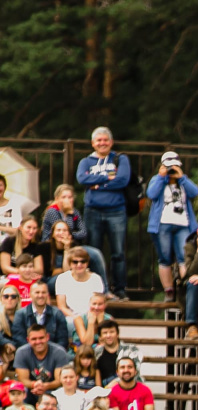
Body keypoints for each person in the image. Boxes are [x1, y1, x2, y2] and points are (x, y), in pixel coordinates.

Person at [75, 127, 131, 298]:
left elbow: (123, 180)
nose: (102, 143)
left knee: (118, 253)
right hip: (93, 211)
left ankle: (119, 290)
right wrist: (108, 177)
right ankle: (96, 290)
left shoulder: (120, 159)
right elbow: (82, 179)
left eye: (105, 140)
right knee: (93, 251)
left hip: (117, 211)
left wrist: (98, 185)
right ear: (93, 143)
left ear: (111, 142)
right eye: (98, 140)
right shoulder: (86, 161)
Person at [145, 151, 198, 299]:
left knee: (184, 256)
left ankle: (186, 286)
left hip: (183, 223)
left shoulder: (183, 181)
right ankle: (168, 290)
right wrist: (162, 177)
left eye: (173, 167)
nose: (171, 170)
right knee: (164, 258)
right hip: (163, 223)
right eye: (168, 167)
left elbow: (195, 192)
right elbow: (151, 194)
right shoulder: (157, 180)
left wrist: (181, 178)